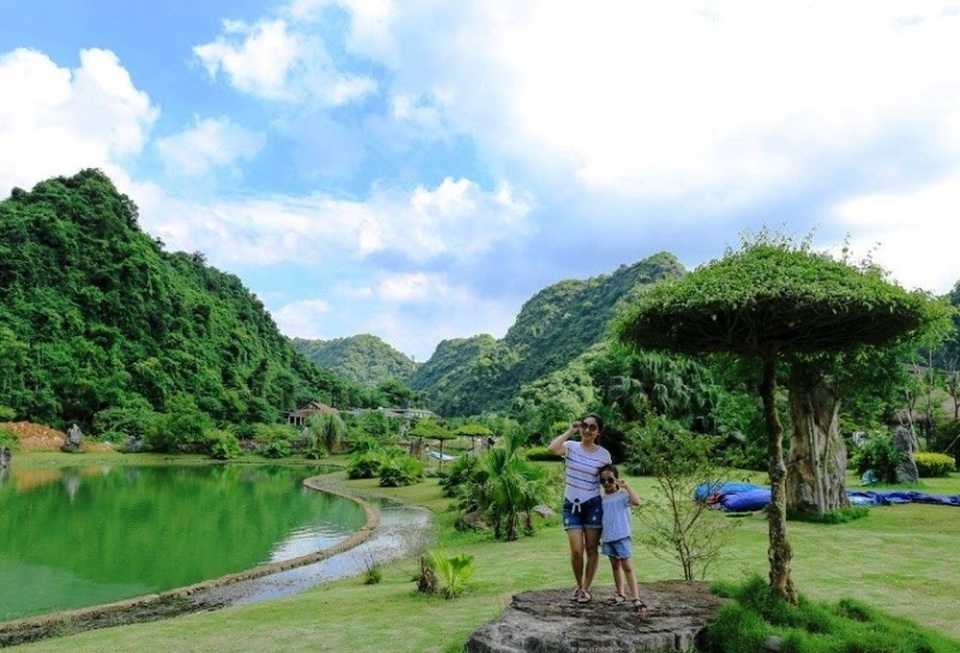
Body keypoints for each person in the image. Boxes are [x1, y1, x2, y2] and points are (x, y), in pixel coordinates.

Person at [548, 413, 612, 604]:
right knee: (577, 551)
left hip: (593, 506)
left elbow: (608, 480)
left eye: (593, 427)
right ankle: (579, 585)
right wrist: (570, 431)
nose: (587, 430)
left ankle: (586, 588)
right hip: (571, 506)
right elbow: (552, 449)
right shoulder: (570, 447)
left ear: (599, 432)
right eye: (585, 425)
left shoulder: (604, 455)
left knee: (591, 549)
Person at [598, 463, 647, 615]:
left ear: (616, 480)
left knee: (627, 566)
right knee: (615, 566)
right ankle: (620, 593)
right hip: (608, 538)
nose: (606, 483)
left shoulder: (622, 496)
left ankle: (636, 598)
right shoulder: (601, 500)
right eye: (603, 480)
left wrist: (627, 486)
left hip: (622, 536)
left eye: (610, 479)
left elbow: (637, 502)